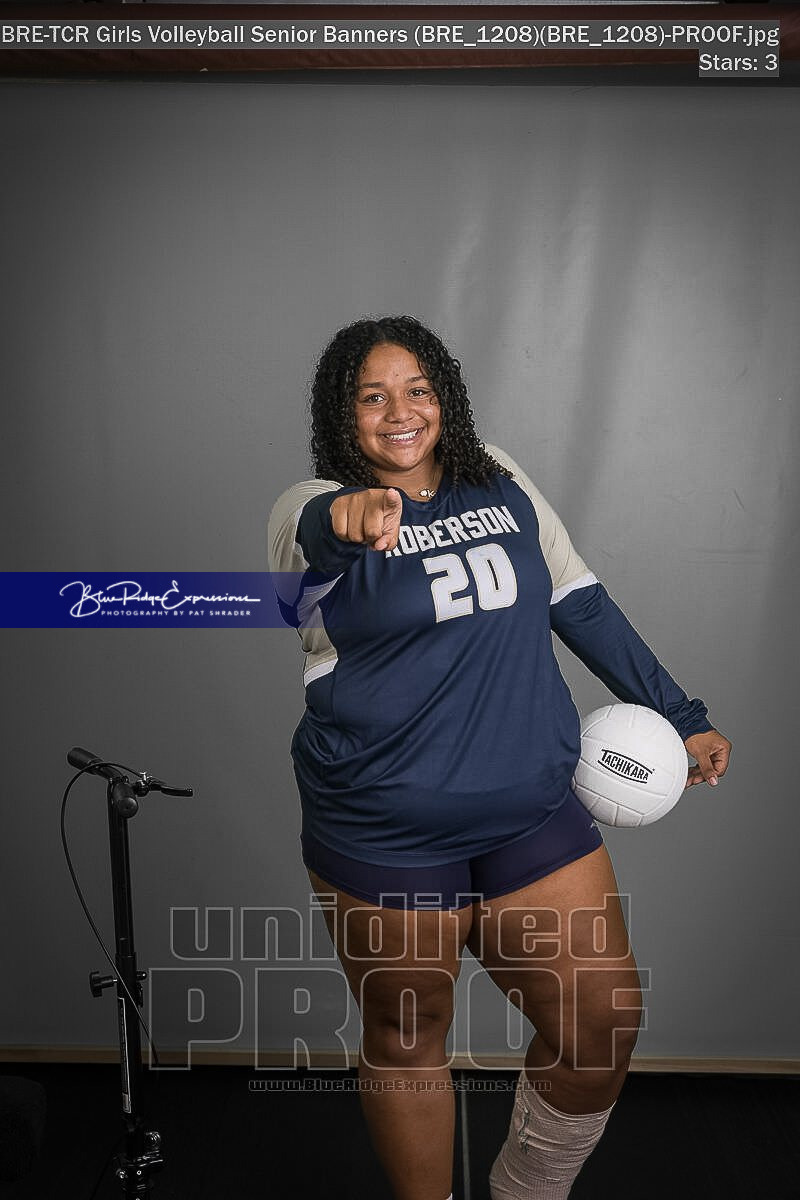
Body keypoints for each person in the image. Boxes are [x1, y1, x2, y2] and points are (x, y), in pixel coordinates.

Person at [268, 315, 731, 1200]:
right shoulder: (304, 508)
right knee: (409, 1035)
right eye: (372, 397)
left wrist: (681, 716)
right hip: (387, 827)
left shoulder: (501, 481)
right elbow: (318, 530)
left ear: (445, 396)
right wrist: (353, 515)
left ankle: (527, 1191)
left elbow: (579, 600)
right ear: (341, 413)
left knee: (601, 1027)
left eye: (417, 390)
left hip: (531, 808)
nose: (400, 412)